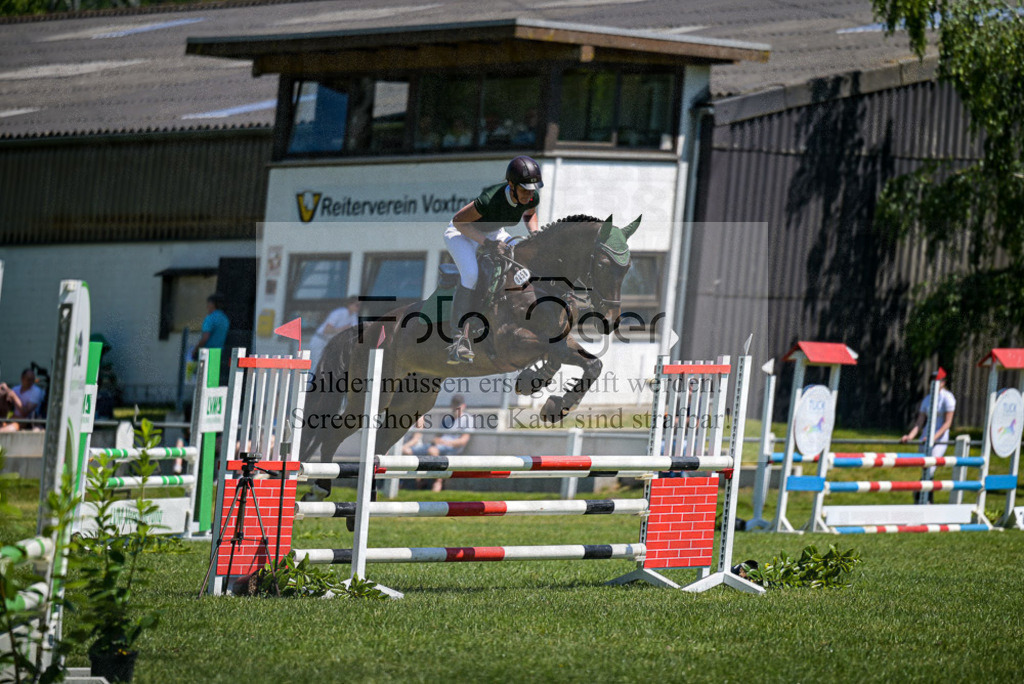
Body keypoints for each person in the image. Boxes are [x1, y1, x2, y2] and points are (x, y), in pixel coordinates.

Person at [443, 155, 543, 364]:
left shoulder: (531, 196)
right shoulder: (490, 198)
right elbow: (459, 221)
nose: (529, 195)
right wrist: (487, 243)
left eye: (532, 190)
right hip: (462, 234)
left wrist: (535, 234)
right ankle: (458, 338)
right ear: (511, 185)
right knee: (471, 275)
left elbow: (530, 213)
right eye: (524, 190)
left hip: (492, 232)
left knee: (524, 257)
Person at [900, 367, 956, 504]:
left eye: (937, 381)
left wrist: (934, 438)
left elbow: (947, 423)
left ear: (943, 383)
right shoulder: (927, 399)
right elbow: (920, 422)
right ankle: (927, 499)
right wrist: (910, 436)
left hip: (940, 439)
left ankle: (919, 493)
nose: (934, 384)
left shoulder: (948, 398)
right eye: (932, 381)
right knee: (926, 469)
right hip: (925, 437)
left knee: (930, 469)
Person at [424, 395, 474, 492]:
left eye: (458, 405)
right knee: (416, 451)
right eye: (454, 404)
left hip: (452, 448)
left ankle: (438, 481)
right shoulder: (447, 419)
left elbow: (463, 440)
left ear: (464, 406)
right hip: (440, 446)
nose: (456, 407)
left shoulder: (467, 419)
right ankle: (420, 481)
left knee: (432, 451)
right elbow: (437, 437)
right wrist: (439, 441)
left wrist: (446, 443)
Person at [309, 296, 360, 369]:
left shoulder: (353, 316)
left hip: (330, 343)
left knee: (327, 367)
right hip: (320, 340)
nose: (358, 308)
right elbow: (326, 330)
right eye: (357, 305)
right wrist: (343, 329)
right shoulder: (338, 313)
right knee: (317, 366)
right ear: (350, 304)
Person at [191, 293, 230, 384]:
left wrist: (195, 350)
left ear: (212, 304)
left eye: (208, 303)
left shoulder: (210, 318)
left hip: (207, 353)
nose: (207, 306)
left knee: (202, 381)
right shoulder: (225, 319)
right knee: (212, 382)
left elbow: (205, 337)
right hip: (219, 353)